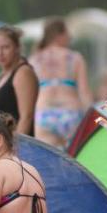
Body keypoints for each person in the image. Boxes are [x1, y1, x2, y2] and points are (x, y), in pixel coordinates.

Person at [29, 19, 91, 148]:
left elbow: (30, 95)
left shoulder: (34, 59)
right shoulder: (75, 58)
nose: (70, 38)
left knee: (47, 162)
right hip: (70, 112)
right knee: (74, 162)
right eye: (68, 34)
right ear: (59, 35)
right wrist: (90, 118)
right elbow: (84, 92)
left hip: (45, 113)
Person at [0, 25, 36, 136]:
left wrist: (17, 148)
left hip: (18, 144)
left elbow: (27, 116)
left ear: (17, 47)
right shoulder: (5, 74)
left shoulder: (23, 73)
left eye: (6, 47)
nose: (0, 53)